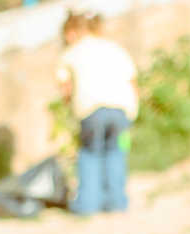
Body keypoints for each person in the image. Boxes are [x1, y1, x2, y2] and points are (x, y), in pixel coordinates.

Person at [57, 11, 138, 214]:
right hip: (121, 109)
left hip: (91, 109)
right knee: (115, 152)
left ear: (72, 32)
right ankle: (117, 202)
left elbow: (65, 86)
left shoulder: (72, 52)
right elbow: (132, 81)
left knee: (89, 153)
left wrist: (68, 106)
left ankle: (87, 205)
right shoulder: (114, 48)